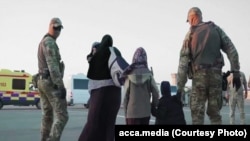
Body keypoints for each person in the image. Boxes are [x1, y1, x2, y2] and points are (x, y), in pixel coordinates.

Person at [177, 7, 241, 125]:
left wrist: (179, 88)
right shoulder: (216, 30)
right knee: (215, 115)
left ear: (191, 19)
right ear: (201, 16)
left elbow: (183, 64)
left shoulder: (190, 34)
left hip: (199, 79)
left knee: (197, 116)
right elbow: (232, 51)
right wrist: (235, 72)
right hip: (215, 78)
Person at [78, 34, 122, 141]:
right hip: (116, 92)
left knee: (92, 123)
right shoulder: (114, 52)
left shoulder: (97, 56)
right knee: (110, 124)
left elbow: (90, 66)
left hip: (100, 91)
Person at [37, 17, 69, 141]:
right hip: (49, 82)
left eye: (60, 28)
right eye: (55, 27)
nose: (57, 31)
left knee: (47, 115)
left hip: (42, 81)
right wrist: (61, 86)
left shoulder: (43, 41)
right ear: (50, 26)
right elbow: (53, 67)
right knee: (62, 116)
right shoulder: (49, 42)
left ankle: (44, 139)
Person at [122, 47, 159, 125]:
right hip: (145, 113)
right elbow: (156, 92)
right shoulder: (149, 75)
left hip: (131, 114)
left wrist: (126, 113)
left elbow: (125, 96)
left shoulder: (129, 75)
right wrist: (153, 105)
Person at [83, 41, 100, 108]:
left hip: (98, 78)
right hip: (93, 78)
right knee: (93, 92)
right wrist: (94, 53)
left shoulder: (101, 56)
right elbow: (90, 61)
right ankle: (89, 104)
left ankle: (90, 104)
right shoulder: (89, 56)